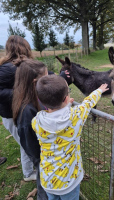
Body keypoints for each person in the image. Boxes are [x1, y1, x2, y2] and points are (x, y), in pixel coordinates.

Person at [32, 74, 109, 200]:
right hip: (69, 182)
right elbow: (88, 103)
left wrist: (66, 106)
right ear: (66, 98)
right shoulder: (76, 116)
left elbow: (54, 119)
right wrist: (99, 90)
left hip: (47, 179)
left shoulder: (36, 121)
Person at [12, 58, 71, 200]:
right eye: (46, 78)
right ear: (34, 83)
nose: (49, 81)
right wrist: (44, 156)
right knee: (44, 184)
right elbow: (31, 146)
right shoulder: (27, 112)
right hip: (42, 157)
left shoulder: (35, 99)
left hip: (47, 154)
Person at [0, 35, 35, 180]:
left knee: (25, 142)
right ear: (23, 48)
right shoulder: (8, 68)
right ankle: (29, 173)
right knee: (26, 144)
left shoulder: (17, 66)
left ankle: (29, 171)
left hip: (17, 113)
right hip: (11, 115)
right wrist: (20, 93)